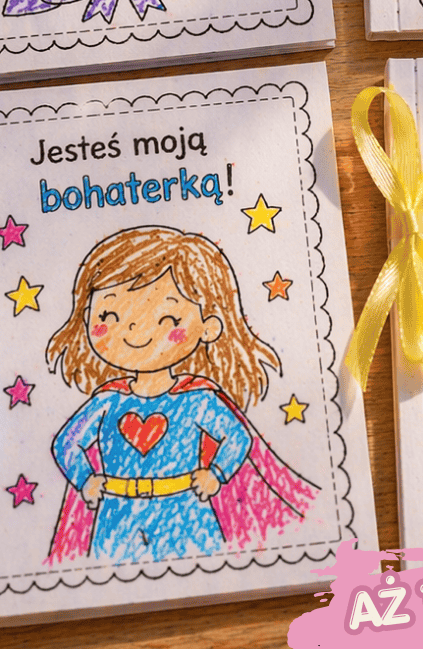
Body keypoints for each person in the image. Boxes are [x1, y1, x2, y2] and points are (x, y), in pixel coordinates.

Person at [45, 225, 317, 565]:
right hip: (116, 514)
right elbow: (66, 443)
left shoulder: (197, 399)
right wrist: (84, 479)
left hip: (186, 510)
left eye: (166, 318)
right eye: (109, 315)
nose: (136, 330)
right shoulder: (107, 401)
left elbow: (236, 438)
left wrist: (216, 474)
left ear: (208, 327)